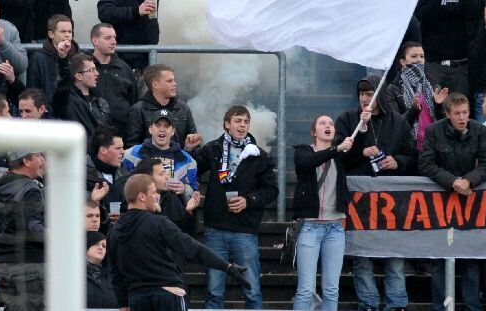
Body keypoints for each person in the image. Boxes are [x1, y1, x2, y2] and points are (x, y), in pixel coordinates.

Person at [108, 173, 249, 311]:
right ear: (142, 196)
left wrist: (123, 304)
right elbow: (192, 248)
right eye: (153, 192)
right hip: (168, 293)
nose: (157, 196)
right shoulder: (159, 222)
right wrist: (227, 266)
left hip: (137, 298)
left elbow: (116, 273)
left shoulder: (115, 231)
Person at [334, 74, 416, 311]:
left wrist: (397, 161)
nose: (365, 99)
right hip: (359, 201)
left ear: (379, 95)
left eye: (370, 94)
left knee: (395, 256)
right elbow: (338, 156)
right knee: (363, 257)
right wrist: (360, 147)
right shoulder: (348, 119)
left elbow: (414, 157)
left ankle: (397, 303)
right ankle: (368, 303)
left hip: (392, 201)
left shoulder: (399, 122)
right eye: (362, 94)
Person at [193, 106, 277, 310]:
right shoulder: (212, 149)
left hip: (244, 230)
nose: (242, 125)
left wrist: (248, 201)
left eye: (246, 121)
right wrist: (189, 151)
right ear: (227, 124)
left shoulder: (260, 156)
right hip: (215, 228)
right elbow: (192, 168)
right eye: (238, 121)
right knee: (214, 290)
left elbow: (271, 190)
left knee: (252, 290)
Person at [419, 93, 486, 311]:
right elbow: (425, 164)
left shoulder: (479, 130)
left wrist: (468, 181)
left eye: (465, 113)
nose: (462, 118)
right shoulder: (434, 131)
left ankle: (472, 306)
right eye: (457, 114)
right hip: (441, 202)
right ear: (447, 114)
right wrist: (453, 182)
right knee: (440, 260)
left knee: (471, 259)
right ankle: (440, 307)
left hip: (471, 202)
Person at [291, 115, 353, 311]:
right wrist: (336, 149)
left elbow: (358, 153)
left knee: (332, 289)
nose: (328, 126)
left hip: (335, 228)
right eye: (322, 123)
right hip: (310, 227)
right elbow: (307, 162)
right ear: (313, 132)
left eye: (331, 124)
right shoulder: (303, 151)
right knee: (306, 289)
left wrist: (365, 125)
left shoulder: (341, 155)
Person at [415, 0, 481, 97]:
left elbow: (474, 12)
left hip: (459, 66)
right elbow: (424, 16)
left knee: (459, 109)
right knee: (432, 109)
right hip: (434, 66)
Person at [0, 151, 46, 311]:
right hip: (30, 267)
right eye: (39, 156)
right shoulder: (30, 189)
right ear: (27, 161)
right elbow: (33, 230)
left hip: (4, 266)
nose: (43, 160)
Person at [122, 112, 199, 195]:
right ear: (150, 129)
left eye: (166, 126)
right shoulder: (130, 155)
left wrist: (185, 189)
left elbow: (195, 196)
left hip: (173, 206)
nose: (162, 129)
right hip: (141, 206)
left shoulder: (188, 161)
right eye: (158, 125)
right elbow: (121, 186)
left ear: (173, 131)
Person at [126, 64, 200, 148]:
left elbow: (194, 145)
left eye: (174, 80)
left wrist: (189, 148)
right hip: (148, 160)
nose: (174, 84)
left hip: (178, 159)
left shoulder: (183, 108)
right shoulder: (138, 110)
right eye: (169, 81)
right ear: (155, 85)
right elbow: (132, 147)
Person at [90, 21, 141, 130]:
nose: (114, 42)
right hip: (92, 130)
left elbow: (134, 102)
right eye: (108, 38)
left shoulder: (125, 68)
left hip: (121, 133)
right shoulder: (84, 67)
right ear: (95, 40)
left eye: (114, 37)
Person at [25, 14, 79, 110]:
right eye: (63, 31)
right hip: (48, 112)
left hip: (75, 110)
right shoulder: (38, 58)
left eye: (70, 31)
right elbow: (33, 89)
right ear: (51, 34)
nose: (67, 35)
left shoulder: (78, 57)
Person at [53, 53, 111, 138]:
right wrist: (63, 59)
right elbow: (62, 85)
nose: (97, 73)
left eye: (96, 69)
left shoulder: (101, 102)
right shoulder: (67, 102)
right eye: (92, 70)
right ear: (79, 76)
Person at [85, 231, 117, 309]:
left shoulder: (112, 275)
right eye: (96, 244)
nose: (100, 248)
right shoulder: (74, 273)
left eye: (104, 246)